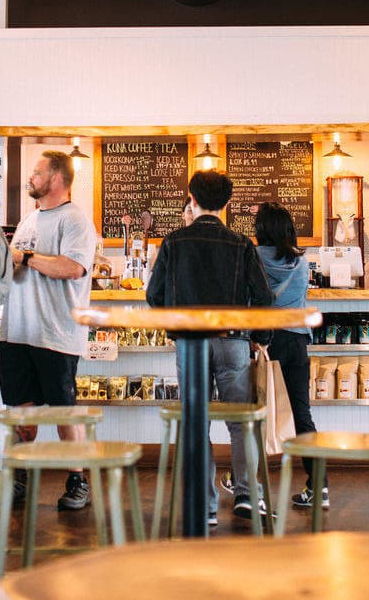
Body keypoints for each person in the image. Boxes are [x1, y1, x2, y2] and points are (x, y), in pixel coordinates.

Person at [146, 170, 272, 524]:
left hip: (190, 343)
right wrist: (261, 338)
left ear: (192, 198)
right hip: (232, 341)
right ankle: (248, 496)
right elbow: (264, 296)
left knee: (196, 422)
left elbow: (153, 296)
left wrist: (176, 326)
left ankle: (205, 506)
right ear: (228, 203)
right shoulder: (241, 244)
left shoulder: (172, 242)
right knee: (240, 422)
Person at [0, 150, 97, 511]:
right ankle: (18, 481)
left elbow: (73, 268)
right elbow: (17, 269)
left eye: (37, 172)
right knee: (20, 410)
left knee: (64, 412)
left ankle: (78, 481)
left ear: (57, 178)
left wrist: (25, 258)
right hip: (17, 332)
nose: (30, 177)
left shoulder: (76, 221)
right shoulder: (30, 221)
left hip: (56, 333)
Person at [252, 202, 327, 509]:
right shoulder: (302, 261)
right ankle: (318, 486)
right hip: (296, 342)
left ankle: (251, 485)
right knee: (301, 414)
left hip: (264, 343)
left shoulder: (253, 258)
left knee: (254, 416)